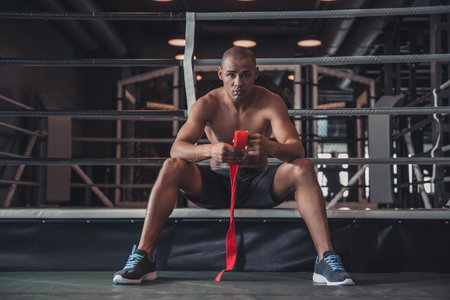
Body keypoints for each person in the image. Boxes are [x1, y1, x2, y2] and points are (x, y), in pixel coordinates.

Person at [113, 47, 354, 286]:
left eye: (245, 74)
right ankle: (143, 257)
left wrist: (269, 147)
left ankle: (325, 259)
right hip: (216, 184)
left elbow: (296, 149)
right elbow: (177, 148)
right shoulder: (207, 104)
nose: (238, 82)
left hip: (259, 185)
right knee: (172, 165)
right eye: (231, 74)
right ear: (220, 74)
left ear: (256, 73)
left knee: (303, 166)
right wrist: (210, 150)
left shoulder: (271, 102)